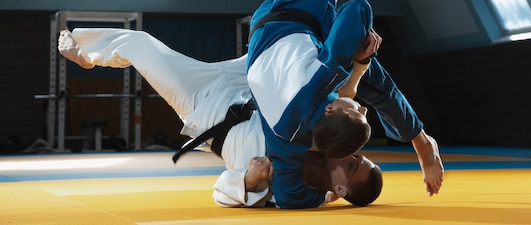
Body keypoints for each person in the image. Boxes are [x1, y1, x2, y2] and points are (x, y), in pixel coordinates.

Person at [245, 0, 443, 209]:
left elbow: (358, 9)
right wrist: (324, 195)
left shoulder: (324, 78)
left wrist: (362, 46)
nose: (363, 108)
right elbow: (292, 198)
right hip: (263, 32)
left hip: (293, 15)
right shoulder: (286, 140)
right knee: (352, 50)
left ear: (333, 107)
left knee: (334, 14)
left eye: (352, 160)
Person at [57, 27, 382, 207]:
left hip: (204, 104)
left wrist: (249, 180)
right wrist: (362, 62)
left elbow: (220, 192)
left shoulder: (294, 192)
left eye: (353, 165)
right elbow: (344, 100)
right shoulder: (329, 141)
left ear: (339, 190)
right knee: (294, 39)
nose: (352, 155)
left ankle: (85, 55)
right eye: (359, 157)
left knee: (140, 44)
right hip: (250, 85)